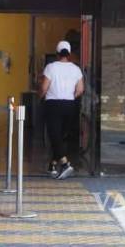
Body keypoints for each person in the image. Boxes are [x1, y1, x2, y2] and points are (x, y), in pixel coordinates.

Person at [39, 40, 84, 179]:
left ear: (57, 53)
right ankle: (52, 165)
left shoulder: (51, 67)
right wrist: (70, 96)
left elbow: (44, 87)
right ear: (69, 54)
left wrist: (40, 96)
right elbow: (80, 89)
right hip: (69, 105)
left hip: (53, 104)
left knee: (54, 135)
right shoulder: (76, 69)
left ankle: (65, 164)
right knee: (60, 136)